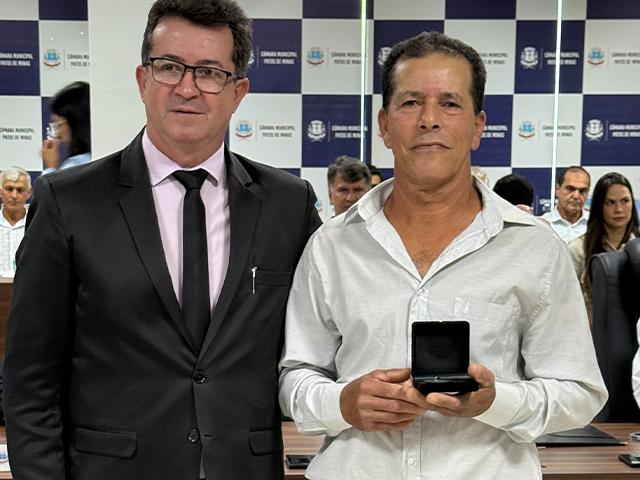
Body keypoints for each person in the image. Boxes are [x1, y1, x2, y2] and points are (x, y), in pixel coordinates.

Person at [4, 1, 321, 479]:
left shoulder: (287, 205)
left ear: (238, 93)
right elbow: (31, 380)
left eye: (209, 72)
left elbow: (325, 338)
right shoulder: (68, 201)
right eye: (170, 67)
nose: (187, 88)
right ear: (142, 80)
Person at [279, 31, 607, 479]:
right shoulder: (332, 245)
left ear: (478, 126)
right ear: (384, 125)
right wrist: (342, 403)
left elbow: (580, 393)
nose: (429, 119)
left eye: (450, 103)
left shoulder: (535, 248)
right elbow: (295, 376)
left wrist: (497, 401)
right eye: (411, 102)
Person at [568, 173, 639, 314]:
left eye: (625, 201)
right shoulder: (577, 249)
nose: (619, 209)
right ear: (599, 206)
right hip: (591, 326)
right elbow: (565, 300)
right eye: (610, 202)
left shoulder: (637, 246)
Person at [42, 81, 92, 174]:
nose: (57, 134)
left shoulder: (76, 165)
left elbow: (54, 184)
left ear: (75, 122)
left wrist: (51, 167)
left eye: (59, 125)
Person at [542, 166, 591, 242]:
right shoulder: (543, 224)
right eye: (570, 189)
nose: (576, 196)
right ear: (557, 189)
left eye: (582, 191)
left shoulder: (597, 224)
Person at [0, 167, 33, 278]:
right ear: (0, 192)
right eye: (9, 189)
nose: (14, 196)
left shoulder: (37, 225)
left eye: (20, 190)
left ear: (29, 193)